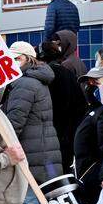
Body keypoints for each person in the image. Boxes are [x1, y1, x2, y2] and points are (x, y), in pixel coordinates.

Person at [4, 42, 69, 204]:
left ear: (26, 59)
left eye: (15, 58)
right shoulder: (36, 82)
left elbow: (14, 123)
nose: (10, 63)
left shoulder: (24, 84)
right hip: (41, 152)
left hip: (30, 154)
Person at [38, 40, 88, 171]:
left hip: (55, 133)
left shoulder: (48, 76)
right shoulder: (66, 72)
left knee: (53, 173)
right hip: (70, 132)